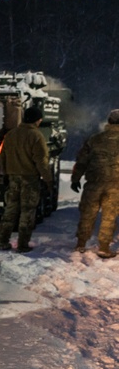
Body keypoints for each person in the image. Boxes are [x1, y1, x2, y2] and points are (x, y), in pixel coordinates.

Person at [0, 105, 52, 253]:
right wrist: (48, 180)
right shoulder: (37, 136)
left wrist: (5, 172)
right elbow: (41, 161)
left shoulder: (10, 135)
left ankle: (3, 241)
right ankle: (22, 244)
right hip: (30, 179)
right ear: (36, 121)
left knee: (10, 210)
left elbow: (2, 155)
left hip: (13, 178)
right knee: (27, 212)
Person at [71, 109, 119, 258]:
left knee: (87, 214)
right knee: (109, 216)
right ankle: (104, 247)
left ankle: (80, 244)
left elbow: (81, 161)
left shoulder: (94, 139)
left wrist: (75, 179)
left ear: (109, 122)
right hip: (115, 185)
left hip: (93, 184)